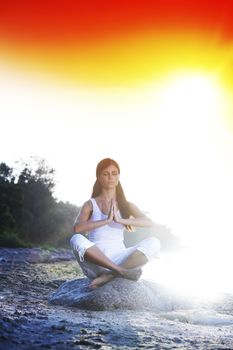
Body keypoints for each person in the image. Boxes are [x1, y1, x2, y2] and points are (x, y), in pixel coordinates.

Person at [70, 158, 160, 289]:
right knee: (76, 239)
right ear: (99, 177)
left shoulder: (127, 205)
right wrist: (106, 220)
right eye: (105, 174)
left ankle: (110, 275)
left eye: (114, 173)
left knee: (154, 242)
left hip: (122, 260)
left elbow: (148, 222)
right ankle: (120, 272)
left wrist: (120, 220)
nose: (110, 177)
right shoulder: (90, 204)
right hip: (96, 262)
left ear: (118, 176)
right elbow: (78, 228)